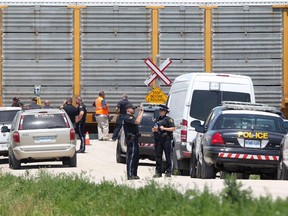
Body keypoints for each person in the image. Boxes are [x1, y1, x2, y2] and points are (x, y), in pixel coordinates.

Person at [152, 105, 176, 178]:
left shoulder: (169, 119)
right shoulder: (157, 119)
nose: (160, 112)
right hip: (158, 139)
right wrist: (154, 129)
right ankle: (158, 172)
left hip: (166, 139)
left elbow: (173, 128)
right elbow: (154, 128)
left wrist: (164, 128)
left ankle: (168, 171)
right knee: (158, 156)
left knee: (168, 155)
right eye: (160, 111)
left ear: (165, 112)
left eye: (161, 111)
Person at [123, 103, 144, 180]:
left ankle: (134, 174)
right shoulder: (127, 117)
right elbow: (137, 121)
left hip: (135, 139)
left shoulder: (131, 117)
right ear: (128, 109)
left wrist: (140, 111)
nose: (134, 110)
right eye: (132, 108)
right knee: (131, 157)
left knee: (135, 157)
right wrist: (142, 112)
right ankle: (130, 174)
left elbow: (137, 119)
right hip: (131, 139)